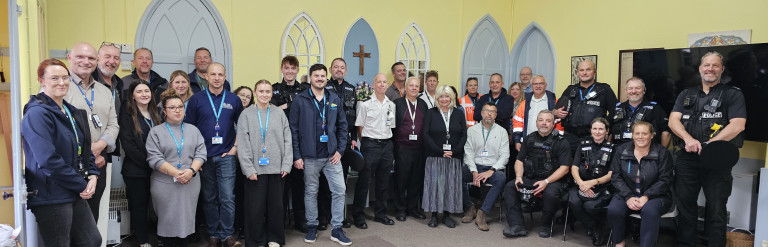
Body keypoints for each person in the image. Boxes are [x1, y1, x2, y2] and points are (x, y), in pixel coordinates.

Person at [669, 52, 746, 247]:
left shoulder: (733, 94)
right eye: (706, 65)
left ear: (722, 69)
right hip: (687, 158)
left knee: (716, 209)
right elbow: (673, 120)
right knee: (686, 207)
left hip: (717, 160)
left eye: (715, 65)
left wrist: (708, 146)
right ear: (700, 68)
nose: (710, 69)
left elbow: (737, 125)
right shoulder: (686, 94)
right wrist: (688, 139)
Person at [22, 58, 101, 247]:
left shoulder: (70, 111)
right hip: (52, 194)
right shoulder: (37, 114)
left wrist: (93, 175)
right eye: (54, 78)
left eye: (65, 78)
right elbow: (48, 160)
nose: (61, 83)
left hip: (73, 190)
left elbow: (84, 148)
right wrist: (80, 184)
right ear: (41, 80)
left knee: (91, 240)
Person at [289, 63, 351, 246]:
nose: (320, 78)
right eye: (316, 76)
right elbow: (293, 130)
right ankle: (312, 225)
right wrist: (297, 156)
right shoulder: (300, 100)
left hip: (332, 156)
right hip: (309, 157)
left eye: (323, 76)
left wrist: (340, 150)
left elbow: (342, 126)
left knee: (340, 190)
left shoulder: (334, 99)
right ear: (310, 78)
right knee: (311, 192)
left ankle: (337, 228)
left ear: (326, 77)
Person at [184, 62, 244, 247]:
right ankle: (214, 234)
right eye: (213, 74)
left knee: (227, 197)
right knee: (209, 197)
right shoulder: (196, 100)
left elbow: (242, 127)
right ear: (206, 77)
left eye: (220, 74)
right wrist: (195, 157)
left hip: (227, 156)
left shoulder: (234, 100)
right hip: (204, 157)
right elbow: (189, 129)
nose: (217, 78)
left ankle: (227, 235)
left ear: (225, 77)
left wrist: (235, 148)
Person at [63, 42, 119, 226]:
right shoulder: (61, 87)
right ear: (69, 58)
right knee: (70, 223)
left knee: (91, 221)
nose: (86, 62)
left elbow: (113, 125)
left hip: (99, 163)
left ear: (96, 62)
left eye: (90, 58)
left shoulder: (104, 91)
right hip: (70, 166)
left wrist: (99, 148)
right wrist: (88, 154)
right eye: (80, 57)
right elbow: (60, 130)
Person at [146, 90, 207, 247]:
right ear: (164, 111)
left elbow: (201, 153)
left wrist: (191, 172)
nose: (177, 110)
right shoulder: (155, 132)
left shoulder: (193, 130)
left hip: (190, 182)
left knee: (186, 221)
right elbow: (154, 158)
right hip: (164, 184)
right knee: (168, 221)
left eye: (180, 106)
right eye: (172, 107)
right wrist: (179, 174)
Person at [237, 80, 292, 247]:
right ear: (255, 92)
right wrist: (248, 168)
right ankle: (255, 240)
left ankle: (275, 238)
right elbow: (243, 143)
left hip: (277, 168)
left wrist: (286, 164)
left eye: (268, 91)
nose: (264, 94)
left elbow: (287, 139)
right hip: (255, 170)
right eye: (261, 91)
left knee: (276, 208)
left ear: (271, 93)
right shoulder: (246, 115)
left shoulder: (278, 113)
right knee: (255, 208)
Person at [503, 110, 571, 238]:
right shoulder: (529, 138)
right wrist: (518, 177)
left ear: (553, 124)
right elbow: (519, 161)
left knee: (551, 194)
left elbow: (565, 168)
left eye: (548, 121)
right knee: (510, 187)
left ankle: (546, 225)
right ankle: (517, 225)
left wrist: (546, 182)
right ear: (536, 122)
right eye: (541, 120)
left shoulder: (561, 141)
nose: (544, 123)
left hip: (553, 180)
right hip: (532, 177)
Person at [607, 121, 673, 247]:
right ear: (632, 135)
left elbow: (665, 180)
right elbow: (616, 176)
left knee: (650, 212)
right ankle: (619, 242)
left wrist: (646, 196)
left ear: (652, 135)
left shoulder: (662, 153)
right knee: (614, 210)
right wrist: (628, 196)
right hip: (627, 192)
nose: (640, 137)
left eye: (644, 133)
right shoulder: (621, 150)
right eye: (637, 133)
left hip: (656, 196)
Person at [118, 80, 162, 247]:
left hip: (158, 169)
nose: (144, 94)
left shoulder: (157, 113)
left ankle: (162, 237)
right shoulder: (127, 113)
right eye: (139, 91)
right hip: (136, 170)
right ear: (133, 96)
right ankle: (143, 241)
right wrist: (151, 163)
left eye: (147, 91)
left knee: (159, 206)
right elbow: (128, 145)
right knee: (140, 207)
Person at [271, 55, 311, 232]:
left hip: (299, 141)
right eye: (286, 68)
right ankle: (279, 221)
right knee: (280, 184)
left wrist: (287, 106)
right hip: (278, 142)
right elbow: (270, 112)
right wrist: (289, 105)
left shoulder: (305, 89)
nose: (289, 71)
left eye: (293, 68)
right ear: (281, 69)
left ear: (297, 70)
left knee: (299, 184)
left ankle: (300, 220)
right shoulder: (273, 89)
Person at [352, 73, 397, 228]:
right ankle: (358, 215)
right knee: (364, 181)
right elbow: (360, 127)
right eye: (379, 82)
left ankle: (381, 214)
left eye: (385, 82)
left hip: (387, 146)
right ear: (374, 84)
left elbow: (390, 124)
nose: (382, 84)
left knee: (384, 182)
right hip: (370, 145)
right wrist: (367, 144)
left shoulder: (391, 105)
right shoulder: (365, 104)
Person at [421, 85, 467, 228]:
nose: (444, 99)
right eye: (441, 96)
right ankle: (434, 215)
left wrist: (455, 150)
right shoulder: (431, 113)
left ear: (451, 98)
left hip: (453, 157)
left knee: (450, 186)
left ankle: (447, 216)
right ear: (437, 98)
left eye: (447, 96)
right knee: (435, 185)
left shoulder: (459, 113)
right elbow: (426, 134)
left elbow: (463, 135)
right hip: (435, 156)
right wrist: (441, 151)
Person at [320, 58, 358, 229]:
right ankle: (323, 216)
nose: (339, 70)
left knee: (340, 181)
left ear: (346, 71)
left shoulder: (351, 89)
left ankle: (340, 217)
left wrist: (355, 138)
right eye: (336, 67)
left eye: (342, 67)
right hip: (326, 140)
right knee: (324, 181)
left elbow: (355, 115)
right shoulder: (324, 87)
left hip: (345, 140)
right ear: (330, 69)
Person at [461, 102, 509, 231]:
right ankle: (469, 207)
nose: (489, 114)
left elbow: (505, 156)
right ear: (481, 113)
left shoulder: (502, 132)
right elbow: (468, 153)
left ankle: (482, 213)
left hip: (492, 167)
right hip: (474, 165)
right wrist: (474, 171)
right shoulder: (472, 130)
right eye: (487, 111)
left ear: (495, 115)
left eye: (492, 112)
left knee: (501, 179)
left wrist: (491, 171)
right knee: (457, 174)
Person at [554, 60, 617, 153]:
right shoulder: (570, 90)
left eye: (588, 69)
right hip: (570, 138)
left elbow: (615, 112)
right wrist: (556, 112)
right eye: (581, 70)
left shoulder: (604, 90)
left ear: (594, 72)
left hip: (594, 139)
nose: (584, 73)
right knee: (568, 166)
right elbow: (555, 111)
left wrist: (608, 132)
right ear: (578, 73)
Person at [568, 118, 614, 246]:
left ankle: (600, 225)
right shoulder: (583, 144)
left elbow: (611, 174)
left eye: (601, 129)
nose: (597, 132)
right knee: (573, 202)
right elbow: (574, 167)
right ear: (591, 130)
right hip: (581, 183)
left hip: (601, 186)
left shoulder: (612, 148)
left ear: (607, 131)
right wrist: (582, 183)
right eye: (595, 129)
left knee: (590, 206)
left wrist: (593, 182)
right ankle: (595, 228)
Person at [393, 77, 429, 222]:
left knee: (416, 180)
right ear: (405, 88)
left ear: (419, 88)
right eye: (411, 86)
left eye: (416, 86)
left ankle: (413, 208)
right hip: (402, 149)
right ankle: (400, 209)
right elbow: (392, 126)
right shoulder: (397, 104)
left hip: (419, 149)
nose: (414, 88)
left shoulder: (423, 104)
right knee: (401, 180)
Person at [612, 77, 671, 147]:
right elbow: (608, 132)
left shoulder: (655, 109)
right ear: (625, 91)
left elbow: (666, 133)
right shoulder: (617, 108)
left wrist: (662, 154)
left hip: (648, 154)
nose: (633, 91)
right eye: (630, 88)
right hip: (619, 154)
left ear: (644, 90)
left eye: (637, 88)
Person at [512, 75, 561, 150]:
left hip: (548, 144)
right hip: (528, 142)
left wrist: (558, 141)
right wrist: (517, 141)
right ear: (531, 86)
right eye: (535, 84)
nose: (538, 86)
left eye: (541, 83)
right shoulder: (525, 103)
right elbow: (518, 123)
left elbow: (559, 123)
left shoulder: (553, 102)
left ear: (545, 85)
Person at [92, 42, 124, 115]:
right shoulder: (89, 80)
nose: (112, 61)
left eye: (116, 58)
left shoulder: (119, 83)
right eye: (107, 57)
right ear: (97, 58)